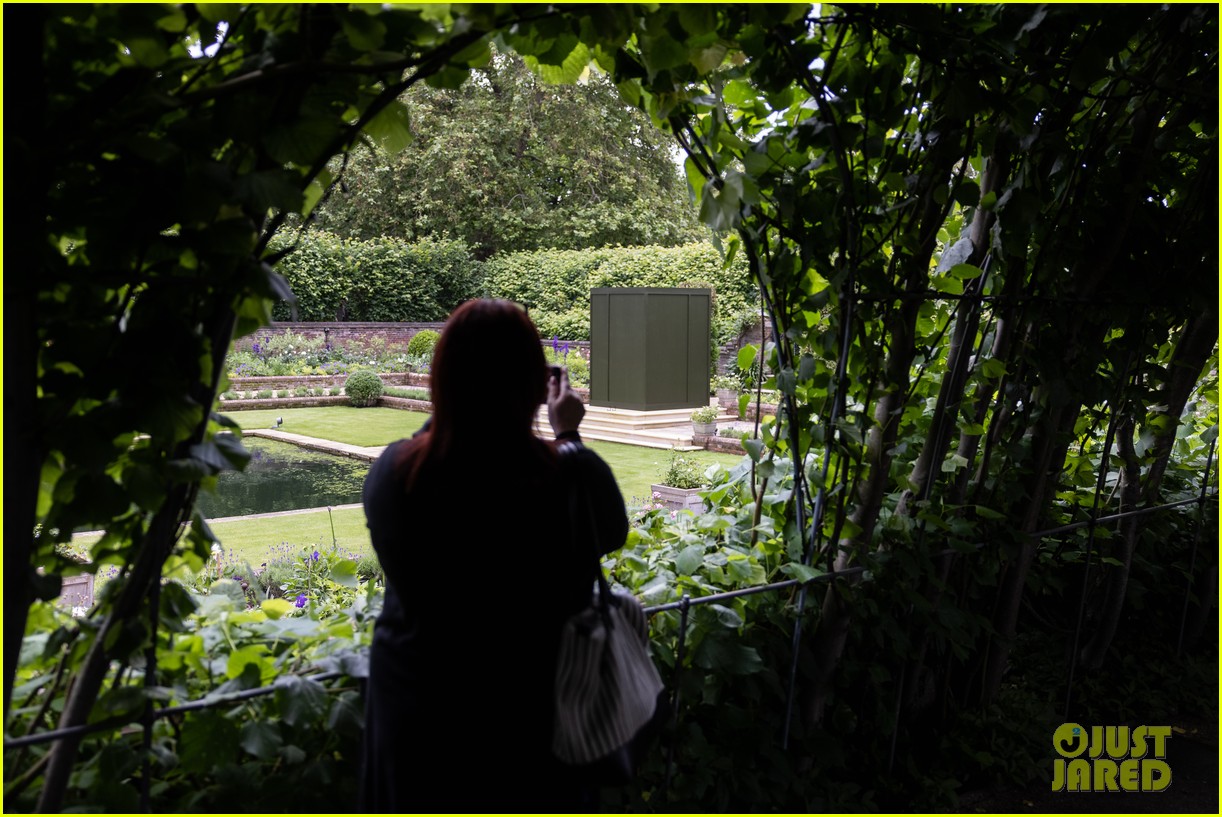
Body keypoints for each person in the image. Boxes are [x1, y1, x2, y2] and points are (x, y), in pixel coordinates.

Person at [359, 299, 628, 812]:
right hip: (530, 718)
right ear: (533, 384)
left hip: (420, 716)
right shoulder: (565, 478)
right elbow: (608, 527)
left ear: (442, 380)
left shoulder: (398, 475)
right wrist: (567, 433)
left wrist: (455, 409)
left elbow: (445, 455)